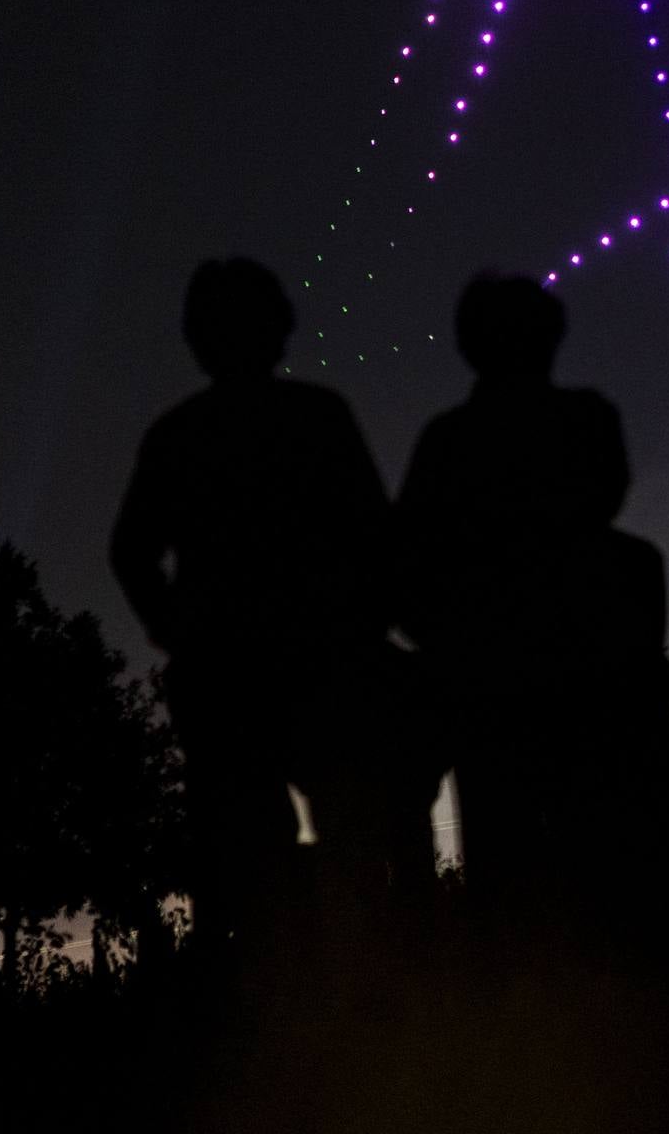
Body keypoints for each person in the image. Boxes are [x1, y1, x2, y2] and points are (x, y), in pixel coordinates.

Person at [111, 256, 391, 961]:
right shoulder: (317, 416)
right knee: (338, 832)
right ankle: (357, 993)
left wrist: (177, 629)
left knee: (253, 848)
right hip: (307, 664)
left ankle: (280, 1004)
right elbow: (376, 536)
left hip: (234, 670)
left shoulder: (179, 436)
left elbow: (129, 550)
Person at [393, 272, 636, 921]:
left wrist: (450, 647)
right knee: (594, 881)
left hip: (498, 690)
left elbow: (399, 563)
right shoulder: (587, 423)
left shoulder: (449, 442)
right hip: (577, 688)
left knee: (515, 883)